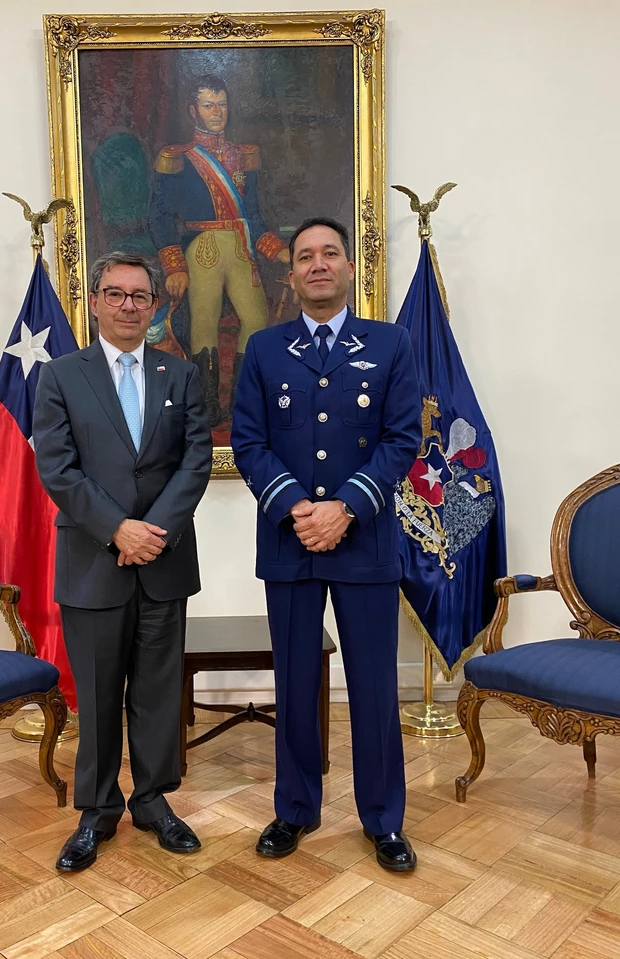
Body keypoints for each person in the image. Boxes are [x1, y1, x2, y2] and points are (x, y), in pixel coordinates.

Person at [230, 217, 422, 870]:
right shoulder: (264, 348)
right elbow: (248, 441)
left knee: (373, 687)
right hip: (290, 543)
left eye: (330, 253)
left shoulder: (391, 343)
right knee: (295, 683)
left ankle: (383, 820)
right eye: (306, 256)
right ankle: (294, 809)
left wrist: (346, 508)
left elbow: (401, 438)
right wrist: (297, 508)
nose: (318, 264)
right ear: (290, 275)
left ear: (348, 268)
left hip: (364, 541)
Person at [33, 251, 213, 872]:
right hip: (93, 562)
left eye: (140, 296)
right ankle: (97, 809)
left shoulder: (180, 375)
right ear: (95, 302)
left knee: (158, 692)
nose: (128, 305)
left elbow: (195, 460)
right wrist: (117, 530)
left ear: (155, 305)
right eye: (115, 294)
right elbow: (57, 468)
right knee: (99, 692)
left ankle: (154, 801)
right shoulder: (60, 376)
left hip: (164, 559)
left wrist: (151, 532)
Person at [150, 74, 291, 426]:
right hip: (203, 247)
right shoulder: (177, 158)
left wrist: (279, 251)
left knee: (256, 321)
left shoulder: (245, 155)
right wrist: (174, 266)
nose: (217, 112)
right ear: (193, 110)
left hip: (241, 246)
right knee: (204, 323)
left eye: (222, 104)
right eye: (209, 105)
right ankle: (208, 404)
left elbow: (253, 215)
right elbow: (160, 217)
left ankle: (244, 400)